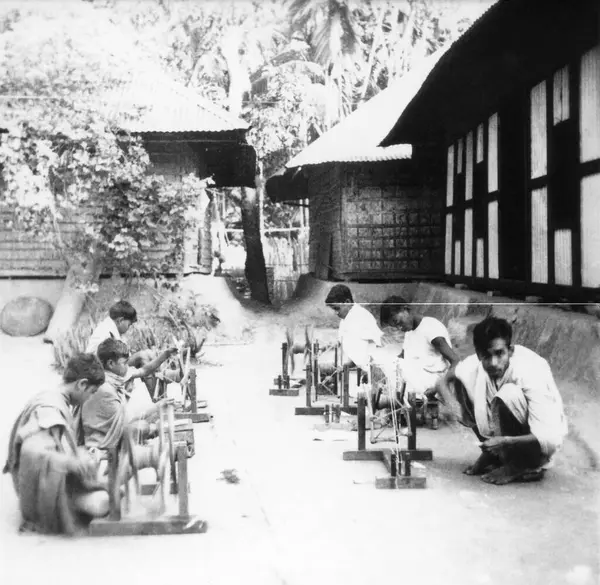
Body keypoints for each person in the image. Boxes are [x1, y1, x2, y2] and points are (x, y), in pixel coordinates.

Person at [428, 316, 567, 485]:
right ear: (479, 354)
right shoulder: (475, 364)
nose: (493, 363)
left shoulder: (530, 370)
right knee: (464, 382)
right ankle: (492, 453)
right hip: (504, 436)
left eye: (500, 353)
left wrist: (506, 441)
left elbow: (549, 436)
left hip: (536, 445)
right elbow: (444, 380)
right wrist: (455, 408)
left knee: (508, 394)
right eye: (486, 355)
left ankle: (519, 464)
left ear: (510, 350)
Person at [3, 354, 110, 535]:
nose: (90, 398)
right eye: (92, 392)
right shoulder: (50, 409)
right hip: (38, 493)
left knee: (105, 481)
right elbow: (31, 451)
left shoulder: (54, 397)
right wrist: (71, 462)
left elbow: (57, 444)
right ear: (82, 384)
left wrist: (81, 454)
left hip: (48, 477)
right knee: (103, 500)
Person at [82, 338, 179, 457]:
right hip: (102, 440)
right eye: (124, 363)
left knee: (150, 421)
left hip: (110, 428)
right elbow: (126, 422)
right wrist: (156, 408)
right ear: (111, 364)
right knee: (144, 427)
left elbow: (144, 370)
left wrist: (165, 355)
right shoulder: (106, 389)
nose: (127, 367)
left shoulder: (114, 374)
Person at [378, 295, 459, 400]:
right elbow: (403, 357)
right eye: (396, 327)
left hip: (434, 381)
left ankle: (405, 401)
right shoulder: (410, 331)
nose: (399, 328)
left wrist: (438, 387)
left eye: (398, 322)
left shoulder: (430, 328)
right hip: (419, 378)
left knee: (393, 366)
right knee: (385, 358)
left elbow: (456, 361)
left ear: (405, 309)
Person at [325, 284, 383, 372]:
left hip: (373, 370)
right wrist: (346, 365)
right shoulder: (345, 319)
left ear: (347, 302)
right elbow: (355, 351)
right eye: (334, 309)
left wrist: (371, 371)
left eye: (337, 308)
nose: (336, 313)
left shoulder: (362, 317)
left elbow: (377, 346)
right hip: (363, 369)